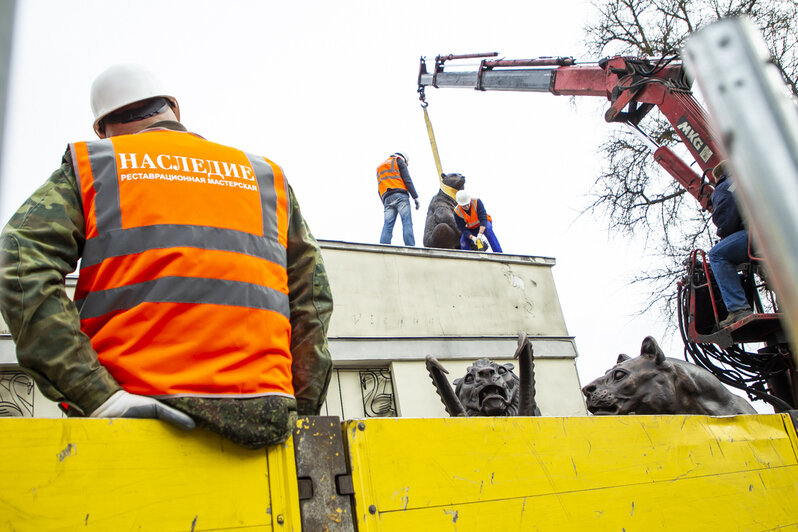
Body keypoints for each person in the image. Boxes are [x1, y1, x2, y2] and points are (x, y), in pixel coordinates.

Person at [0, 64, 333, 449]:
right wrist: (300, 410)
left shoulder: (96, 165)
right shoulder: (264, 176)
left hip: (139, 418)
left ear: (102, 129)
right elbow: (312, 298)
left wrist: (96, 397)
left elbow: (18, 261)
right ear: (173, 109)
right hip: (263, 419)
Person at [708, 160, 753, 328]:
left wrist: (723, 233)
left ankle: (738, 308)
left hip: (758, 235)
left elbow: (727, 219)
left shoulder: (726, 185)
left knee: (717, 254)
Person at [377, 152, 420, 246]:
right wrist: (415, 197)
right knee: (406, 222)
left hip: (386, 198)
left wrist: (384, 201)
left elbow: (379, 188)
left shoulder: (380, 166)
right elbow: (407, 180)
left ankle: (383, 248)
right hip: (401, 196)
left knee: (387, 225)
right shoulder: (398, 161)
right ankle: (410, 248)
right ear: (404, 159)